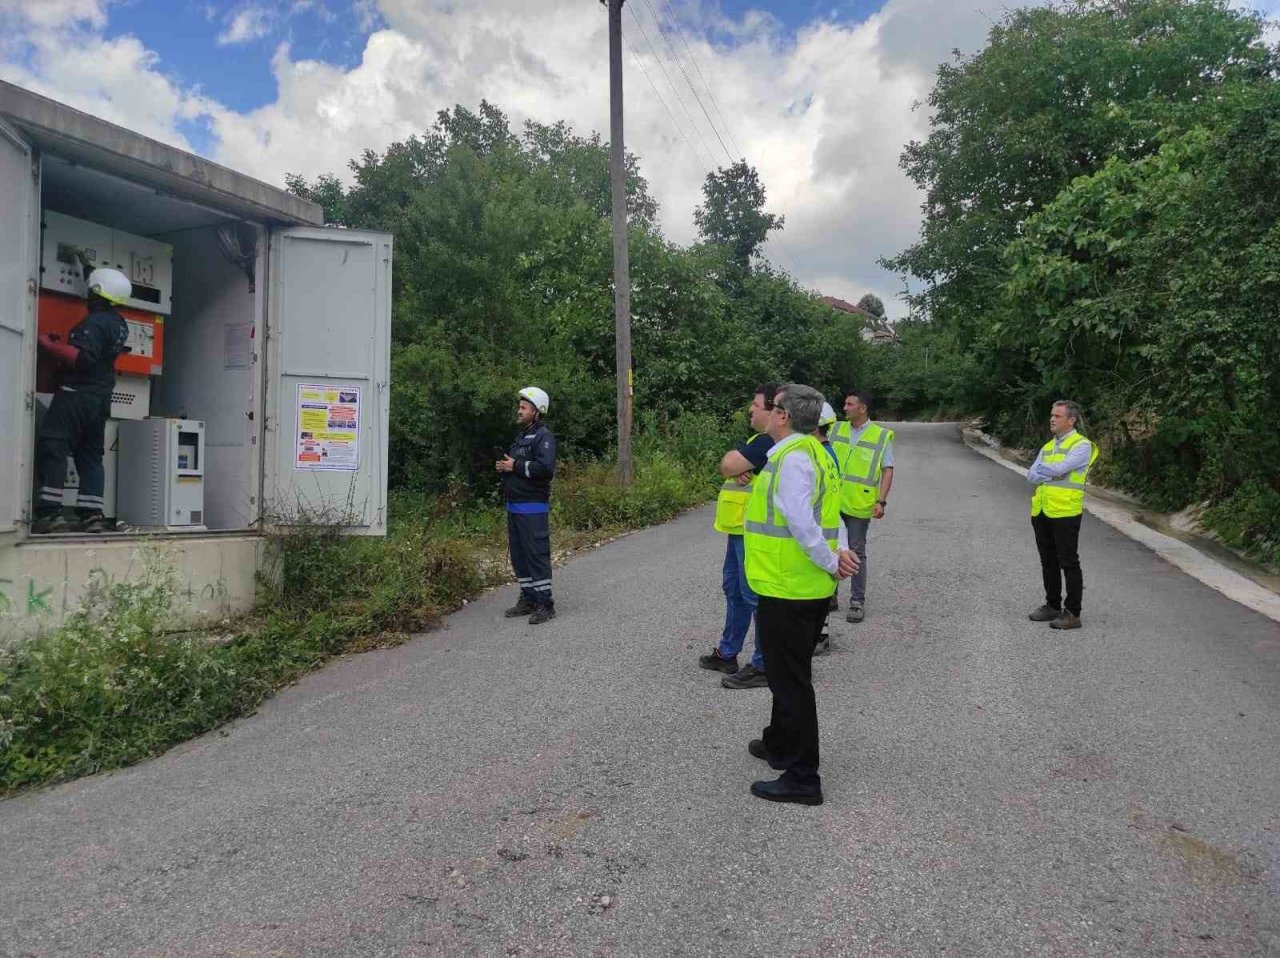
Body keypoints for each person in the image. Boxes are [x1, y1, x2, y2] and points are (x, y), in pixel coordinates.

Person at [743, 384, 857, 806]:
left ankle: (803, 778)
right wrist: (840, 552)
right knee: (784, 672)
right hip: (804, 586)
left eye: (772, 408)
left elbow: (801, 523)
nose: (767, 413)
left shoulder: (792, 459)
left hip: (789, 586)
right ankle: (779, 743)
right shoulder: (814, 454)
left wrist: (832, 560)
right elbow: (831, 515)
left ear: (784, 416)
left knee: (791, 681)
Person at [32, 264, 131, 535]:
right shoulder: (120, 324)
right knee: (90, 455)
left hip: (76, 397)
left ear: (97, 294)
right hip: (99, 399)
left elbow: (82, 358)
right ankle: (92, 515)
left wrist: (49, 345)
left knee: (54, 446)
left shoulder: (95, 322)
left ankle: (50, 514)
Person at [699, 384, 777, 690]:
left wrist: (734, 466)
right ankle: (727, 652)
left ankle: (762, 663)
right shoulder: (757, 441)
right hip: (738, 529)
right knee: (734, 590)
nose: (750, 409)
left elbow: (728, 463)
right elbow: (732, 467)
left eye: (756, 405)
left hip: (754, 531)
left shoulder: (767, 442)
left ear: (773, 411)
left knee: (752, 595)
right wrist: (735, 467)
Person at [1026, 399, 1099, 630]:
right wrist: (1048, 473)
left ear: (1071, 420)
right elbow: (1031, 475)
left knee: (1068, 562)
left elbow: (1058, 470)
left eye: (1057, 416)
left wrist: (1045, 471)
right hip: (1043, 509)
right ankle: (1052, 605)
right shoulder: (1049, 446)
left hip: (1066, 511)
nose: (1052, 419)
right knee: (1048, 560)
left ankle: (1072, 613)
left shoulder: (1082, 445)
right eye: (1051, 415)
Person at [828, 389, 894, 624]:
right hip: (833, 501)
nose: (844, 408)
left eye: (849, 404)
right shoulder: (836, 428)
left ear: (862, 408)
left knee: (856, 551)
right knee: (831, 546)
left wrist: (881, 500)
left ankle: (857, 601)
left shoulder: (880, 436)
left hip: (859, 503)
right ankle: (830, 595)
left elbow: (887, 470)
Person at [496, 387, 557, 624]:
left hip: (533, 508)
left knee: (536, 555)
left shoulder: (544, 437)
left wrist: (516, 466)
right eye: (519, 407)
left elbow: (545, 469)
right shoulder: (520, 437)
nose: (519, 411)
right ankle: (528, 598)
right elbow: (516, 465)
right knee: (520, 557)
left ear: (536, 411)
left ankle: (545, 603)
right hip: (514, 507)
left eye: (523, 407)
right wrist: (505, 467)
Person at [814, 401, 839, 655]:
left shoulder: (820, 454)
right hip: (827, 529)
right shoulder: (829, 452)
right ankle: (819, 633)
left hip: (820, 529)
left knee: (818, 585)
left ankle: (819, 634)